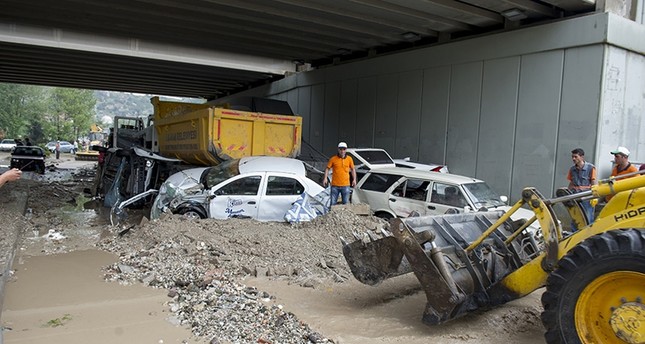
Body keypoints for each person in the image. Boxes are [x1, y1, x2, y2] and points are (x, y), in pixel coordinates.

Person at [567, 148, 597, 229]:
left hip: (586, 197)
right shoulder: (572, 169)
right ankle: (574, 236)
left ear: (582, 157)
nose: (573, 159)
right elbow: (571, 182)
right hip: (574, 197)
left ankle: (587, 236)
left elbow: (593, 182)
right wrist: (567, 193)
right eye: (572, 157)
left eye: (576, 157)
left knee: (587, 217)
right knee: (575, 217)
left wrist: (594, 196)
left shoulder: (591, 168)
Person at [323, 142, 357, 206]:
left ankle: (345, 216)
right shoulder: (333, 159)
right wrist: (325, 178)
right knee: (333, 203)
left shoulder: (349, 159)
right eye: (341, 149)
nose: (342, 151)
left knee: (346, 203)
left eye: (344, 149)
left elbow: (353, 169)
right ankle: (332, 215)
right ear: (338, 149)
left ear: (346, 150)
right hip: (335, 185)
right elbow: (327, 168)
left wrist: (354, 179)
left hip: (346, 185)